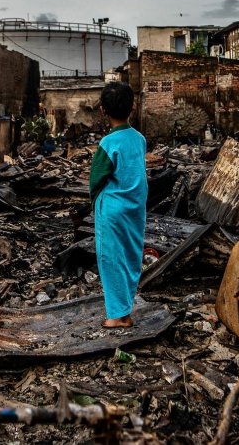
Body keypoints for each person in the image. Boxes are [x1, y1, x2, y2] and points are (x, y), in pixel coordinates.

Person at [89, 82, 148, 328]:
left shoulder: (107, 144)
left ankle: (118, 316)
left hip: (112, 210)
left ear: (103, 110)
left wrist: (95, 203)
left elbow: (96, 178)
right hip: (135, 207)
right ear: (131, 109)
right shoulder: (140, 139)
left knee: (111, 259)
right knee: (131, 256)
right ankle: (126, 309)